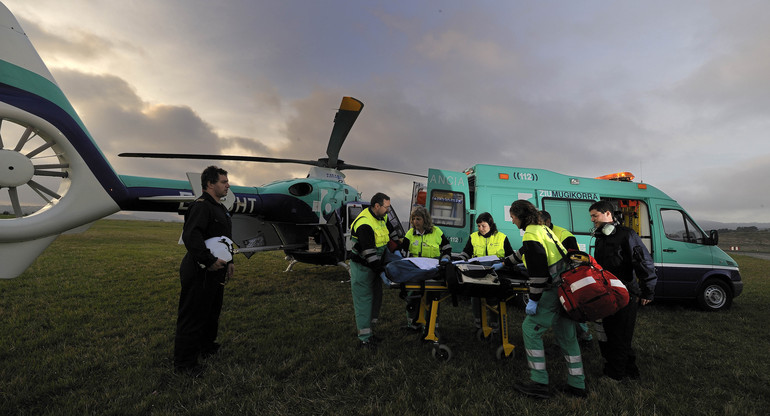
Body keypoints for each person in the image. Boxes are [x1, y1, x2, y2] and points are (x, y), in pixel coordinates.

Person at [509, 200, 586, 399]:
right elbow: (526, 253)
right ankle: (577, 384)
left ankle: (539, 382)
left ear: (521, 217)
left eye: (513, 217)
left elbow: (538, 272)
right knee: (567, 335)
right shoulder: (543, 229)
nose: (512, 221)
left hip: (552, 290)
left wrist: (533, 299)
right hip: (566, 290)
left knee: (529, 329)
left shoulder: (531, 234)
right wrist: (505, 262)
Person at [174, 166, 234, 376]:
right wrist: (208, 261)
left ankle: (206, 347)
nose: (227, 185)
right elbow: (192, 236)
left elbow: (224, 239)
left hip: (216, 270)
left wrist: (230, 261)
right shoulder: (201, 207)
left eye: (227, 181)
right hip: (200, 269)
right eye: (223, 181)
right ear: (210, 184)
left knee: (211, 313)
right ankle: (184, 364)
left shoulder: (221, 208)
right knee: (193, 315)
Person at [589, 200, 657, 381]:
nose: (592, 220)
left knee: (619, 335)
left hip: (626, 294)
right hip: (609, 294)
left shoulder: (626, 235)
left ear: (608, 214)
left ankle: (616, 376)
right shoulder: (601, 237)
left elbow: (644, 262)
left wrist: (647, 291)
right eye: (591, 217)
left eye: (595, 216)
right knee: (614, 334)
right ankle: (630, 371)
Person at [349, 192, 398, 349]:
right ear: (377, 206)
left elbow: (392, 233)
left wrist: (399, 247)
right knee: (364, 300)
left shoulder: (381, 217)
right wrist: (382, 271)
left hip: (376, 263)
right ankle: (364, 339)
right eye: (386, 207)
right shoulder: (365, 224)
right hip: (363, 266)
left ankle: (370, 332)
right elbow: (369, 254)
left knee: (376, 297)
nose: (388, 211)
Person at [540, 210, 592, 346]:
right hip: (553, 279)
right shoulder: (540, 233)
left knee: (572, 308)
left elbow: (575, 259)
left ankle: (585, 338)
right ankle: (564, 341)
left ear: (548, 222)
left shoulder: (564, 235)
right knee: (561, 312)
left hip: (566, 280)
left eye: (539, 223)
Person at [459, 212, 514, 332]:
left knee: (493, 298)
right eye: (478, 226)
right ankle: (479, 324)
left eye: (483, 226)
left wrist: (503, 263)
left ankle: (494, 324)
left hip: (495, 273)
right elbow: (466, 252)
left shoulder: (502, 237)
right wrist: (459, 259)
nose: (480, 229)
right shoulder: (473, 236)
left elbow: (510, 255)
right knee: (475, 297)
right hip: (477, 272)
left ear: (490, 224)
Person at [400, 206, 452, 330]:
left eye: (418, 219)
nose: (415, 222)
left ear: (425, 220)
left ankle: (432, 325)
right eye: (413, 219)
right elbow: (403, 251)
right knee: (412, 297)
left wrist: (445, 259)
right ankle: (412, 324)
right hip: (415, 270)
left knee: (432, 298)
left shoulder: (437, 232)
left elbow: (447, 249)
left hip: (432, 270)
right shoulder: (410, 233)